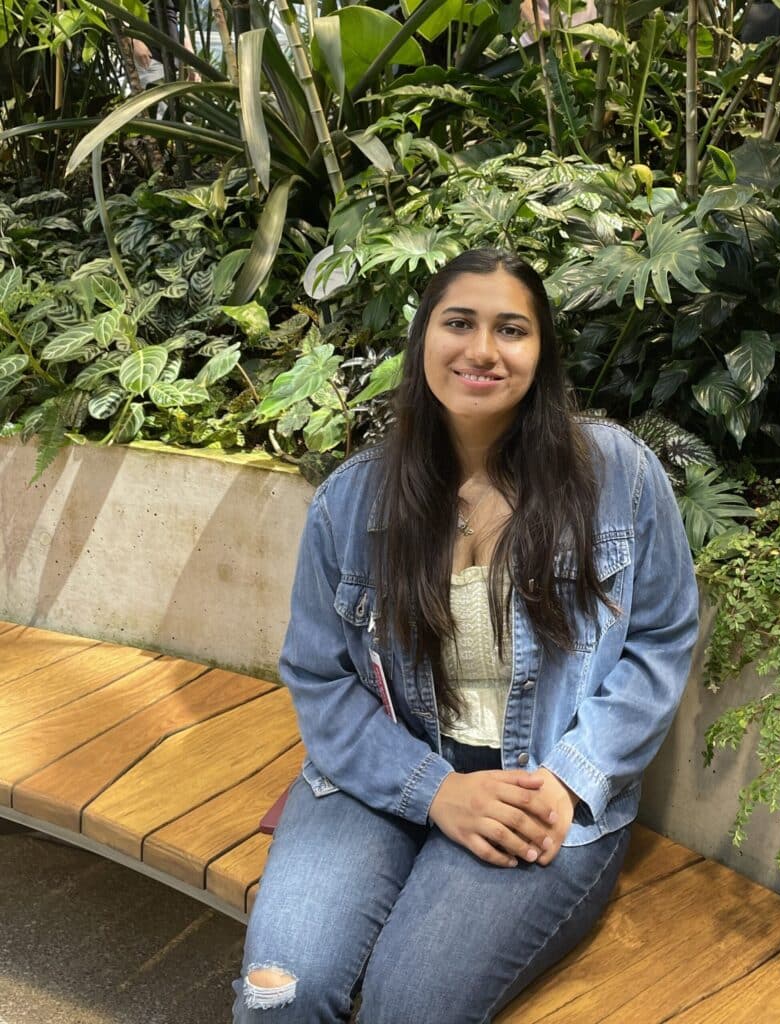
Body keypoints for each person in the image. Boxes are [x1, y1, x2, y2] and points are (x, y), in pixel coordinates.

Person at [232, 248, 699, 1023]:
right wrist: (434, 791)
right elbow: (319, 676)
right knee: (278, 996)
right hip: (380, 780)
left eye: (510, 329)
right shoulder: (351, 502)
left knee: (410, 1008)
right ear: (423, 343)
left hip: (536, 792)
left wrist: (573, 776)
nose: (483, 350)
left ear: (540, 353)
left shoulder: (618, 474)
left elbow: (661, 640)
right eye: (460, 323)